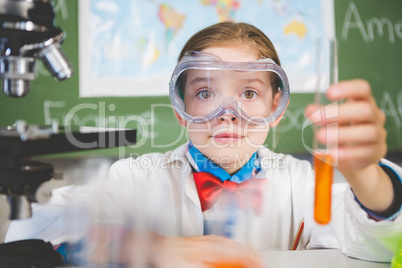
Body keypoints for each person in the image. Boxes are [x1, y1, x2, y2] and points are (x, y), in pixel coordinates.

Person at [5, 22, 402, 267]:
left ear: (277, 109)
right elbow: (31, 230)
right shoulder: (135, 177)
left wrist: (366, 175)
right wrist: (143, 246)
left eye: (249, 94)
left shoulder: (302, 182)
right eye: (206, 93)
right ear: (181, 110)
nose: (227, 114)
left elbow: (383, 245)